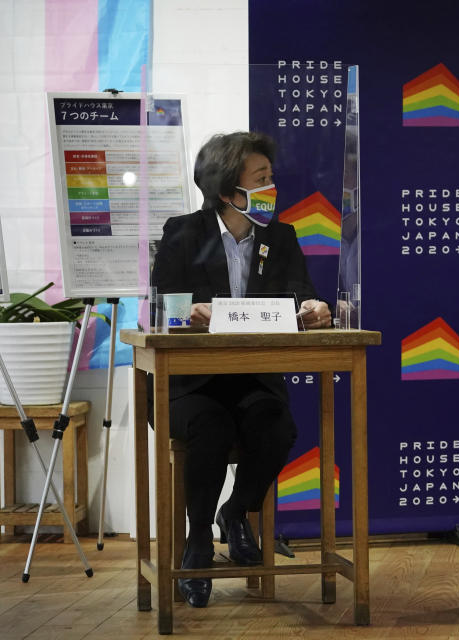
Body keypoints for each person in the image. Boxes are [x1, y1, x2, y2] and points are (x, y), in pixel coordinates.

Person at [152, 131, 332, 607]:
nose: (272, 188)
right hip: (190, 384)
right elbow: (161, 302)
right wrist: (188, 310)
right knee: (209, 429)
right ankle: (195, 547)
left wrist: (315, 308)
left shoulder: (281, 236)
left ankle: (236, 512)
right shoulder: (183, 232)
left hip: (253, 377)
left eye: (271, 178)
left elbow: (301, 293)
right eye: (262, 180)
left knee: (276, 425)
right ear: (229, 191)